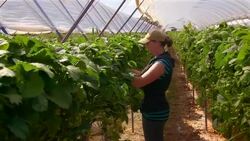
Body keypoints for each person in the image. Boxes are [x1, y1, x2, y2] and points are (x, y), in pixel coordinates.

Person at [131, 30, 174, 141]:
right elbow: (142, 74)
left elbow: (139, 82)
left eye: (147, 43)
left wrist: (119, 74)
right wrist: (127, 70)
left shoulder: (160, 63)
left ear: (157, 43)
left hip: (155, 111)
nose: (145, 46)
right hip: (155, 108)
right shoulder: (159, 59)